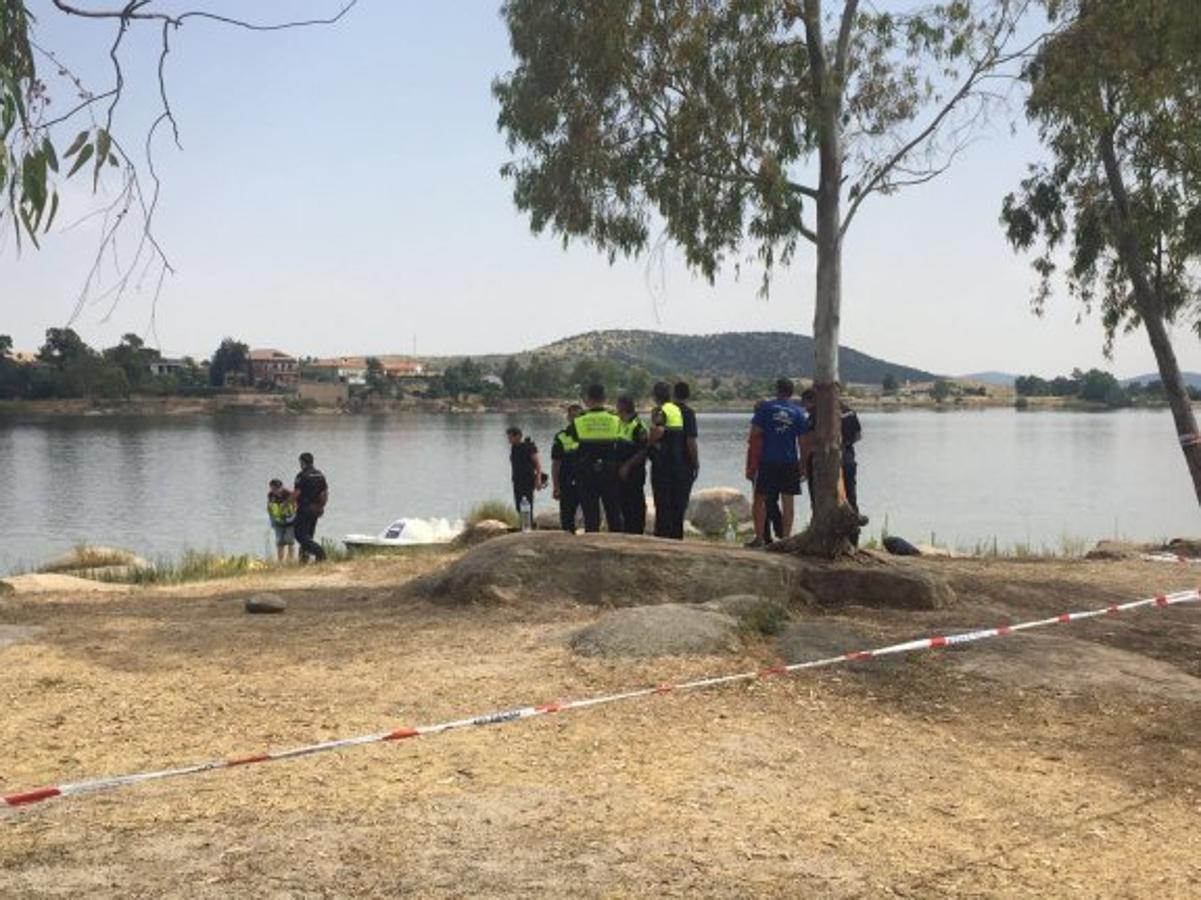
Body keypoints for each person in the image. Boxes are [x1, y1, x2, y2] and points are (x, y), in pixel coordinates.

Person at [745, 379, 808, 548]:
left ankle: (759, 538)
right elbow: (803, 443)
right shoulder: (798, 413)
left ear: (777, 390)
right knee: (788, 501)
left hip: (768, 461)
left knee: (760, 499)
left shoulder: (766, 408)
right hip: (789, 462)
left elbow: (754, 434)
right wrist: (803, 465)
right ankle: (786, 540)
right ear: (791, 392)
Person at [566, 384, 623, 533]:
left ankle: (593, 546)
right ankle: (617, 546)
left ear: (587, 399)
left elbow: (572, 438)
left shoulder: (579, 421)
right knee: (614, 513)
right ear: (605, 399)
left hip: (586, 473)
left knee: (591, 517)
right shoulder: (615, 420)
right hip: (610, 472)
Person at [648, 381, 689, 539]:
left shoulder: (660, 410)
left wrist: (649, 442)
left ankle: (663, 537)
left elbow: (658, 430)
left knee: (662, 502)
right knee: (675, 503)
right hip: (676, 461)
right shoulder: (675, 409)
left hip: (662, 463)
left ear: (655, 396)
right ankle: (676, 536)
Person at [746, 401, 784, 544]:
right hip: (762, 468)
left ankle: (775, 533)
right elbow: (751, 450)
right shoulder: (767, 427)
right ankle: (767, 535)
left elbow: (755, 450)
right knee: (769, 502)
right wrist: (749, 468)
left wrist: (751, 468)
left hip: (763, 468)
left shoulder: (762, 429)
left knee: (766, 502)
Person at [616, 394, 649, 534]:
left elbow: (644, 450)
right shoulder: (620, 423)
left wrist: (627, 466)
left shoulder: (639, 426)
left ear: (624, 406)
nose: (616, 408)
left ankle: (637, 532)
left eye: (618, 405)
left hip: (634, 471)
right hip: (620, 471)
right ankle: (626, 531)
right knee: (623, 503)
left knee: (635, 503)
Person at [551, 405, 583, 533]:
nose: (575, 419)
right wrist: (556, 487)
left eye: (578, 416)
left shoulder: (590, 436)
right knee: (567, 518)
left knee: (592, 518)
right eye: (573, 416)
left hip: (587, 482)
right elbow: (556, 464)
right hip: (567, 483)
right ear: (568, 417)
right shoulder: (561, 437)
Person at [293, 452, 328, 563]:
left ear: (302, 462)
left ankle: (320, 553)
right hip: (316, 509)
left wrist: (285, 503)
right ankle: (303, 560)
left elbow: (297, 493)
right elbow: (324, 493)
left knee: (300, 535)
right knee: (308, 535)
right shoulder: (320, 475)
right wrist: (322, 506)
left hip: (304, 508)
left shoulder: (302, 475)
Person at [506, 427, 543, 525]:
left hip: (528, 480)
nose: (509, 440)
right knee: (518, 506)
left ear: (518, 436)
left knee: (527, 504)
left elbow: (537, 464)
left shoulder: (529, 447)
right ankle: (524, 524)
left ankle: (529, 525)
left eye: (510, 438)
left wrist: (538, 479)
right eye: (508, 438)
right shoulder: (513, 448)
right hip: (517, 480)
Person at [266, 478, 297, 562]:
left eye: (276, 488)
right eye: (272, 488)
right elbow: (269, 508)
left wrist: (293, 516)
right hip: (278, 522)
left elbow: (296, 505)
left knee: (290, 540)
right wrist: (272, 520)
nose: (274, 491)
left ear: (281, 487)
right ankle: (280, 562)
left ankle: (291, 561)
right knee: (279, 542)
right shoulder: (270, 495)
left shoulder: (288, 494)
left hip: (291, 522)